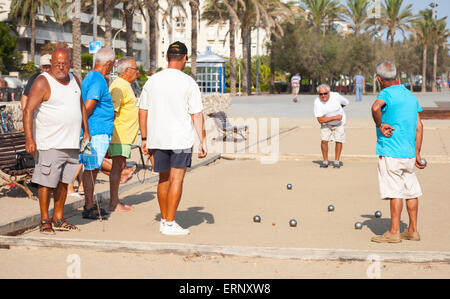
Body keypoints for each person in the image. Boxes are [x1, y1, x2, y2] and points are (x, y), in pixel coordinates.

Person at [139, 41, 207, 235]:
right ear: (184, 58)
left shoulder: (152, 80)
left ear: (167, 57)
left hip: (157, 138)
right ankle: (169, 223)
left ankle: (164, 219)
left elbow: (142, 111)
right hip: (180, 140)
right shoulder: (188, 82)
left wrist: (144, 138)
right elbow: (197, 114)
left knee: (163, 179)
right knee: (176, 179)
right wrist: (202, 140)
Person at [23, 48, 90, 234]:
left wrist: (86, 131)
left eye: (64, 63)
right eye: (57, 63)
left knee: (63, 182)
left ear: (70, 63)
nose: (61, 67)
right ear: (51, 63)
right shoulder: (43, 81)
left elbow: (81, 105)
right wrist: (29, 139)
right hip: (49, 143)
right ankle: (45, 220)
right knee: (46, 183)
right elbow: (27, 110)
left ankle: (58, 218)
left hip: (72, 143)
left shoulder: (75, 80)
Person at [370, 60, 425, 243]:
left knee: (395, 192)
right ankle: (413, 230)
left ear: (379, 79)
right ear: (396, 76)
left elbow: (376, 107)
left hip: (391, 151)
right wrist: (417, 153)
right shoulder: (410, 95)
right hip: (409, 153)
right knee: (411, 191)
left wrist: (380, 124)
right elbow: (419, 126)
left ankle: (394, 232)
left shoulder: (385, 93)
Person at [80, 47, 116, 219]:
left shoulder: (90, 77)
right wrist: (85, 131)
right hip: (96, 132)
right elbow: (88, 107)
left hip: (92, 131)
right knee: (91, 169)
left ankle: (89, 204)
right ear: (108, 64)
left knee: (90, 169)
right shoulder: (98, 80)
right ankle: (88, 206)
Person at [107, 57, 140, 212]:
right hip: (119, 135)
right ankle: (114, 203)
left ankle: (115, 201)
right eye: (135, 69)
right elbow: (111, 111)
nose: (137, 72)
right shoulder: (119, 85)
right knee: (117, 168)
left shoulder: (124, 85)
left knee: (119, 167)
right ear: (126, 71)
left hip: (124, 135)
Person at [313, 84, 349, 169]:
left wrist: (338, 110)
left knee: (338, 140)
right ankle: (325, 161)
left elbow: (346, 103)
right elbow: (320, 120)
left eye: (325, 93)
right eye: (320, 94)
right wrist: (334, 117)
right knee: (324, 141)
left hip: (339, 122)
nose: (323, 96)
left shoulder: (336, 96)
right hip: (326, 124)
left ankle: (337, 161)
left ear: (329, 92)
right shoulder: (317, 102)